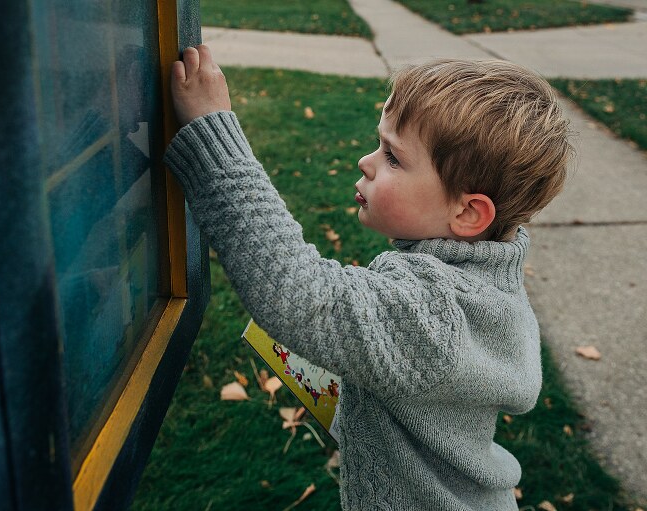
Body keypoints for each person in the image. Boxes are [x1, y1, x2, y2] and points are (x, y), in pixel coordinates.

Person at [164, 45, 572, 510]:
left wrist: (210, 131)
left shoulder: (432, 316)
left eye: (393, 158)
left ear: (467, 212)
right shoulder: (486, 287)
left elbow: (300, 293)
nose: (366, 161)